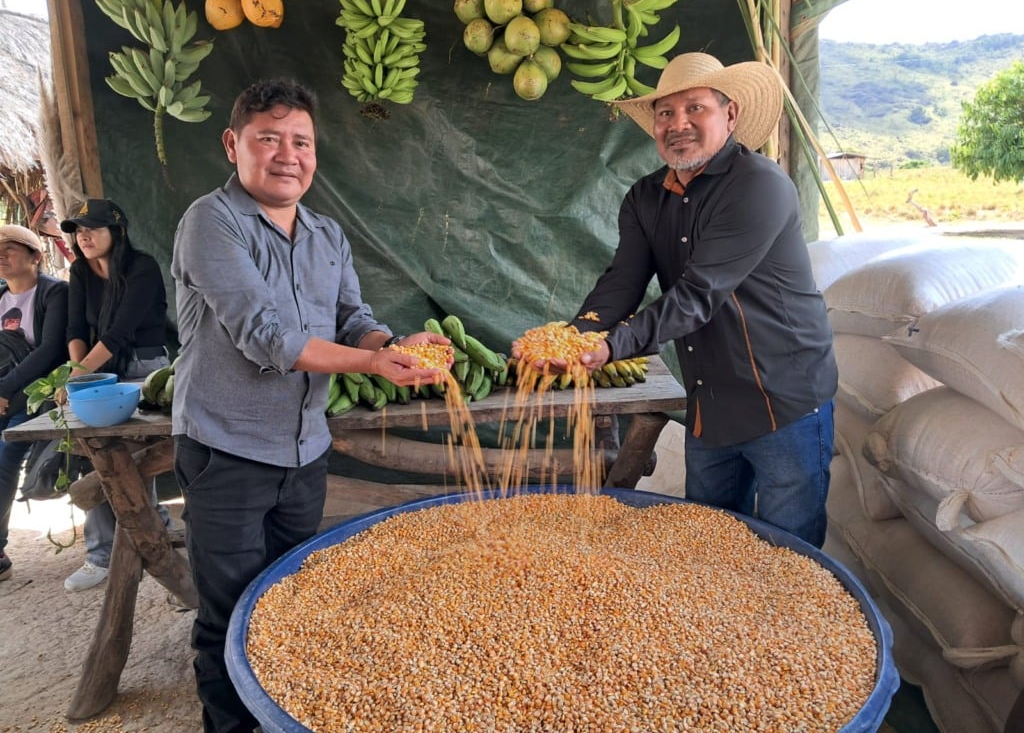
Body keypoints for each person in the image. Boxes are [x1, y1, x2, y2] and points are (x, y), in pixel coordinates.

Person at [171, 78, 448, 733]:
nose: (287, 154)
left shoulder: (326, 234)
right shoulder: (211, 221)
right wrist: (373, 362)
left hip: (303, 453)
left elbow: (355, 319)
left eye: (301, 141)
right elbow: (268, 337)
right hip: (226, 451)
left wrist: (393, 343)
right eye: (268, 139)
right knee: (230, 615)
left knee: (295, 598)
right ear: (233, 144)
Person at [519, 53, 838, 548]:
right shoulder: (646, 198)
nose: (678, 124)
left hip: (784, 398)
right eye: (665, 113)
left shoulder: (759, 186)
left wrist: (609, 348)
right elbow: (622, 282)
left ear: (729, 116)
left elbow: (697, 295)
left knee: (788, 555)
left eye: (695, 108)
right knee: (705, 544)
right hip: (711, 401)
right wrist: (571, 337)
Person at [59, 199, 180, 592]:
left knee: (135, 453)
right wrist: (79, 377)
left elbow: (120, 332)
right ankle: (101, 552)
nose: (84, 237)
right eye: (78, 230)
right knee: (98, 453)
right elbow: (75, 329)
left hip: (146, 367)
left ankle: (152, 525)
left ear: (118, 231)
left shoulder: (141, 267)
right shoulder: (80, 270)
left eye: (93, 228)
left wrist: (78, 375)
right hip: (101, 368)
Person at [0, 225, 69, 582]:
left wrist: (5, 391)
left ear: (35, 256)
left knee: (4, 456)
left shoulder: (55, 293)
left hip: (39, 397)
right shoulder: (0, 296)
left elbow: (50, 351)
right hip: (3, 394)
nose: (1, 255)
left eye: (9, 248)